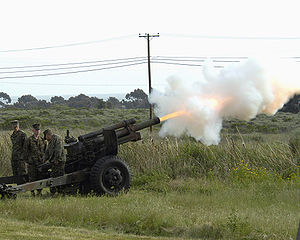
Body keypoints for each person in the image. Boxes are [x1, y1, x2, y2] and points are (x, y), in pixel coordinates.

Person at [23, 123, 46, 196]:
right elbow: (25, 151)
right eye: (36, 130)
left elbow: (45, 151)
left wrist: (44, 160)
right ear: (33, 130)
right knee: (32, 178)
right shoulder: (29, 140)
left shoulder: (42, 140)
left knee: (40, 177)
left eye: (38, 130)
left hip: (40, 162)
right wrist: (26, 162)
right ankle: (32, 192)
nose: (37, 131)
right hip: (32, 162)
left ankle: (39, 192)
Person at [43, 129, 66, 194]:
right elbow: (47, 151)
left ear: (48, 135)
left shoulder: (57, 139)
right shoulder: (50, 141)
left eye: (46, 137)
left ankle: (61, 191)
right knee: (54, 175)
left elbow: (58, 150)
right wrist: (44, 159)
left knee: (59, 176)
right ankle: (54, 191)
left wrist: (56, 159)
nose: (46, 138)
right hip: (54, 161)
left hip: (59, 161)